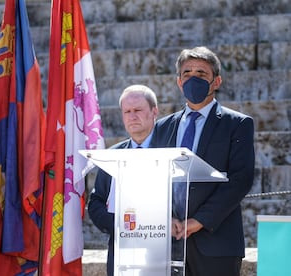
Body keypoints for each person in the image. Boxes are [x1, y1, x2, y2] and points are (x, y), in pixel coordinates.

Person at [151, 46, 255, 276]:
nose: (193, 79)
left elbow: (241, 179)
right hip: (169, 242)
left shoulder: (237, 124)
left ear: (216, 81)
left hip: (216, 242)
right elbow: (154, 176)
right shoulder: (163, 127)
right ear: (179, 82)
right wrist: (166, 217)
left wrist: (199, 220)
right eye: (187, 73)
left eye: (201, 73)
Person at [88, 84, 159, 276]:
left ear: (154, 112)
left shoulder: (171, 150)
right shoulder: (112, 156)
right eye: (127, 111)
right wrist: (122, 227)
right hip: (122, 252)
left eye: (138, 110)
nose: (132, 116)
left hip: (163, 249)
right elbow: (96, 202)